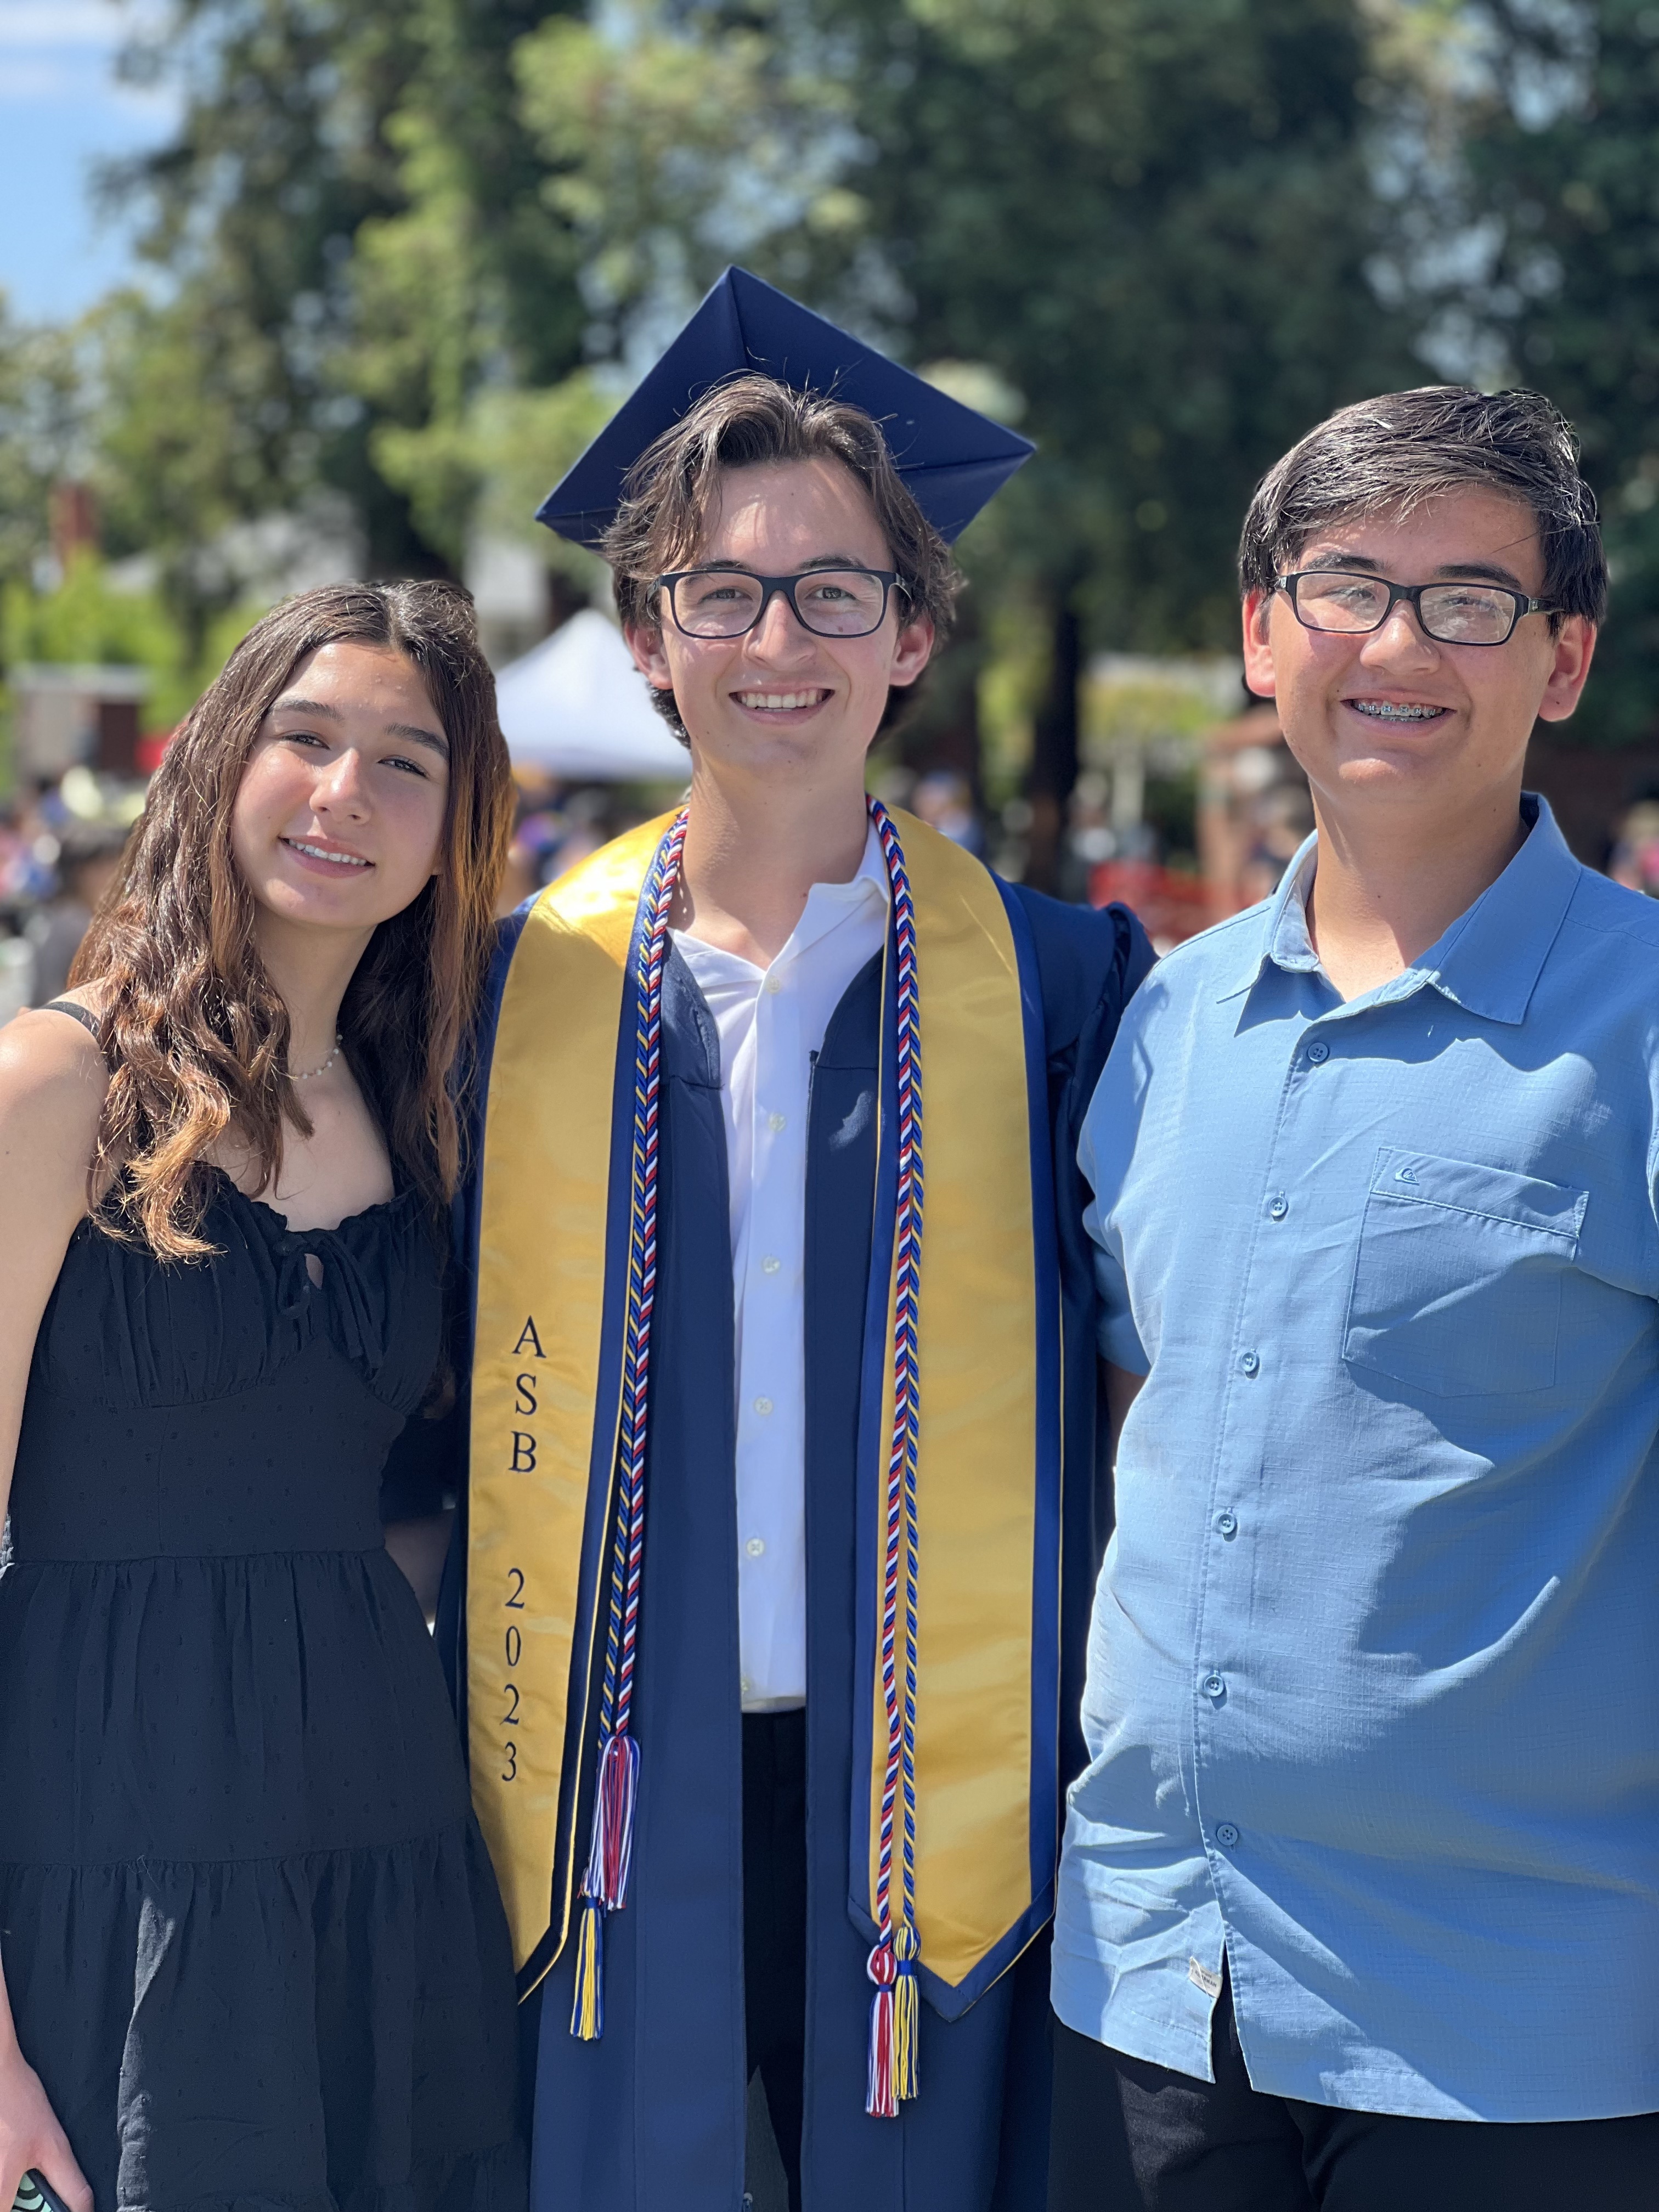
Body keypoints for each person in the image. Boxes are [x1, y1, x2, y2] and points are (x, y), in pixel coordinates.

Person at [439, 266, 1153, 2212]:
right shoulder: (510, 993)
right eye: (723, 594)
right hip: (601, 1778)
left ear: (913, 633)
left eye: (837, 591)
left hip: (945, 1791)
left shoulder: (1065, 987)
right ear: (647, 641)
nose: (780, 641)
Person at [1048, 385, 1659, 2209]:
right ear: (1264, 636)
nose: (1398, 646)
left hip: (1519, 2030)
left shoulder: (1644, 1024)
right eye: (1346, 587)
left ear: (1564, 659)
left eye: (1470, 600)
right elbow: (1139, 1423)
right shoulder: (1166, 1021)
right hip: (1154, 1982)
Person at [0, 582, 525, 2212]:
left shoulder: (427, 1112)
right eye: (306, 738)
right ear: (221, 759)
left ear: (455, 830)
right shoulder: (56, 1083)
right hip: (109, 1840)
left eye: (406, 761)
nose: (345, 793)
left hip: (379, 1842)